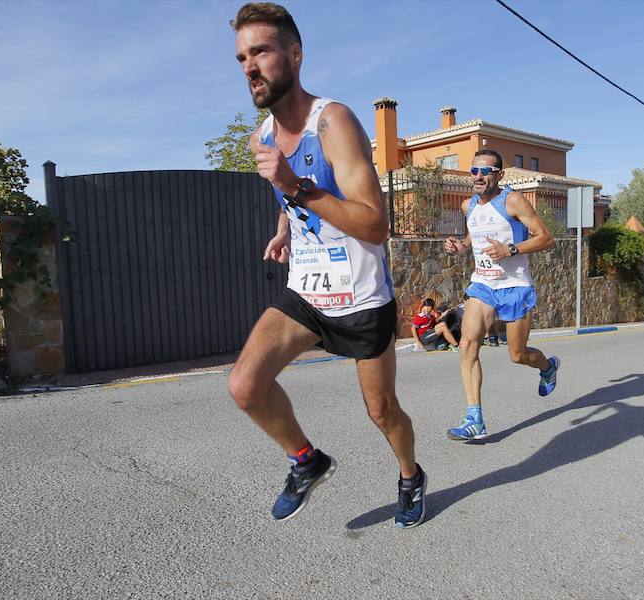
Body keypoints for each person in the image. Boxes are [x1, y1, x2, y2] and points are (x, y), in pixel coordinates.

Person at [228, 2, 425, 529]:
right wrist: (284, 226)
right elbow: (293, 200)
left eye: (262, 51)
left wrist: (295, 186)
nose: (250, 66)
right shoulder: (262, 138)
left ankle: (410, 473)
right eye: (243, 56)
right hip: (308, 296)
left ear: (294, 53)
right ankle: (306, 460)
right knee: (245, 386)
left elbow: (373, 224)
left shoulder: (333, 121)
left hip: (362, 300)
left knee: (382, 411)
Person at [443, 150, 559, 441]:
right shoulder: (468, 206)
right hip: (482, 285)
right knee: (468, 343)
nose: (479, 176)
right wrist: (461, 247)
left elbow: (546, 237)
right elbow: (473, 239)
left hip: (515, 286)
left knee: (518, 355)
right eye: (474, 171)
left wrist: (511, 250)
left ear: (499, 175)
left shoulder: (512, 200)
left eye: (486, 171)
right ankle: (474, 419)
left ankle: (547, 367)